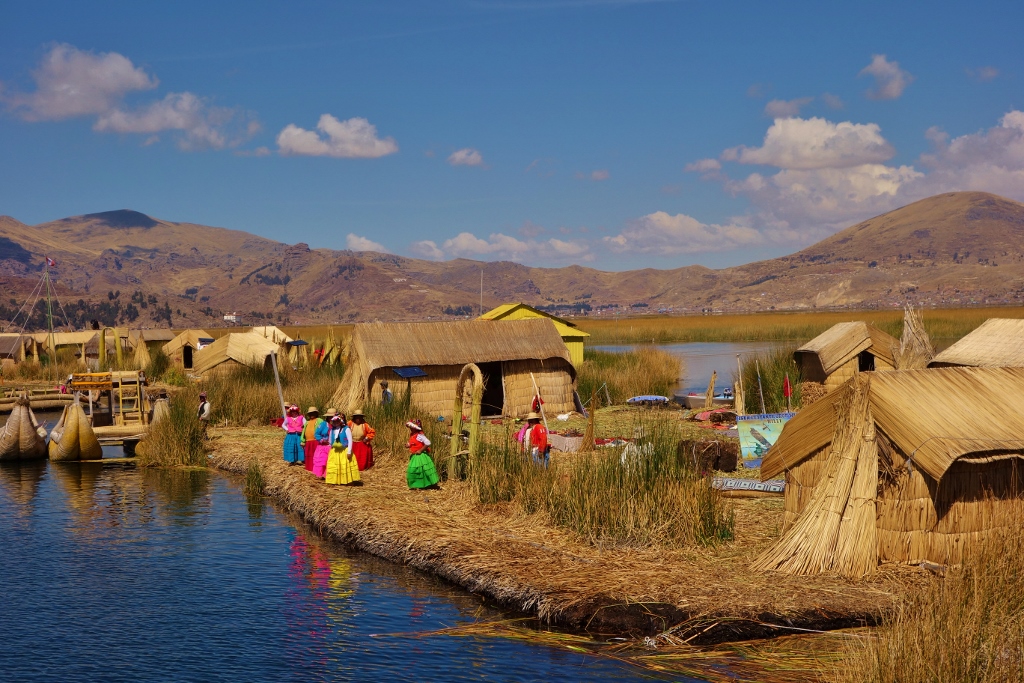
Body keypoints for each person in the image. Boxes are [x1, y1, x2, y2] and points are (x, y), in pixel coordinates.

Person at [325, 412, 360, 486]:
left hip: (344, 451)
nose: (336, 422)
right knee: (334, 466)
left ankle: (348, 481)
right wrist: (330, 450)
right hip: (335, 451)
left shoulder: (346, 429)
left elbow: (350, 441)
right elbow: (330, 441)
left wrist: (349, 451)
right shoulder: (332, 430)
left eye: (337, 420)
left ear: (341, 421)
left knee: (345, 466)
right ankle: (333, 480)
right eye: (334, 421)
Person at [406, 419, 440, 490]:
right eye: (410, 427)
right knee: (415, 470)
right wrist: (408, 445)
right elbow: (414, 443)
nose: (410, 429)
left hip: (421, 455)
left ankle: (425, 484)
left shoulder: (420, 435)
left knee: (420, 470)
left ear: (415, 428)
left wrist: (420, 450)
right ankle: (416, 484)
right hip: (415, 455)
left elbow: (428, 443)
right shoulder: (412, 435)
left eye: (412, 427)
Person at [300, 406, 323, 473]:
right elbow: (304, 431)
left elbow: (323, 429)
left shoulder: (319, 420)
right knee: (309, 454)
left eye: (313, 413)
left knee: (316, 455)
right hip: (308, 441)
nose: (312, 414)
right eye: (310, 413)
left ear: (316, 413)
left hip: (316, 441)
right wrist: (302, 440)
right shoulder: (307, 422)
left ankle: (317, 468)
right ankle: (310, 467)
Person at [312, 409, 334, 479]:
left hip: (332, 447)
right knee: (322, 461)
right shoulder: (323, 424)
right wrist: (322, 440)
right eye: (330, 417)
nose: (331, 418)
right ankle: (319, 474)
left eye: (332, 417)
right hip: (323, 446)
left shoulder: (337, 425)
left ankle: (327, 475)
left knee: (330, 461)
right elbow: (316, 434)